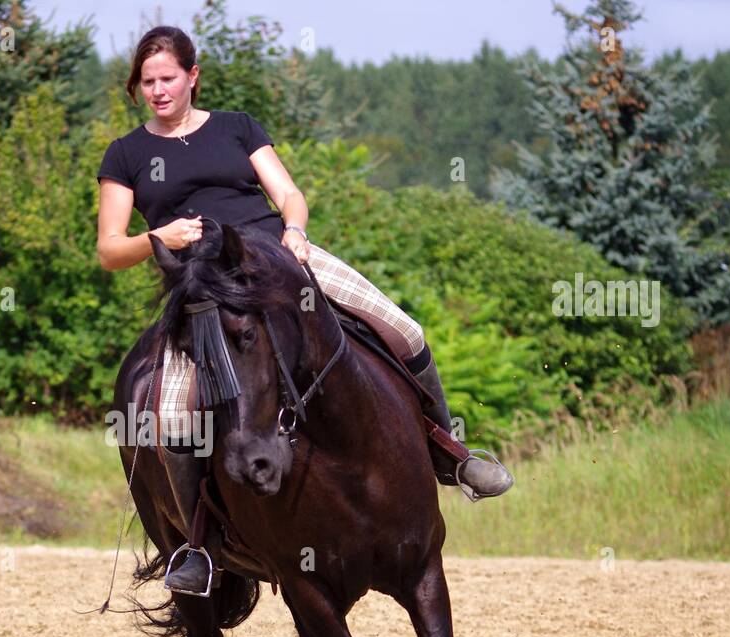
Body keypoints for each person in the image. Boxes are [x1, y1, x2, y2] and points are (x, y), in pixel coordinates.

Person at [96, 25, 513, 596]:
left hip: (281, 262)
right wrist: (161, 235)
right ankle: (196, 547)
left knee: (405, 330)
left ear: (192, 76)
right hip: (204, 292)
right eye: (147, 82)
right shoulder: (127, 153)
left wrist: (294, 229)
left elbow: (289, 194)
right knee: (169, 419)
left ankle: (449, 453)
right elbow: (110, 249)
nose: (158, 91)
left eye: (168, 78)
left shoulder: (238, 127)